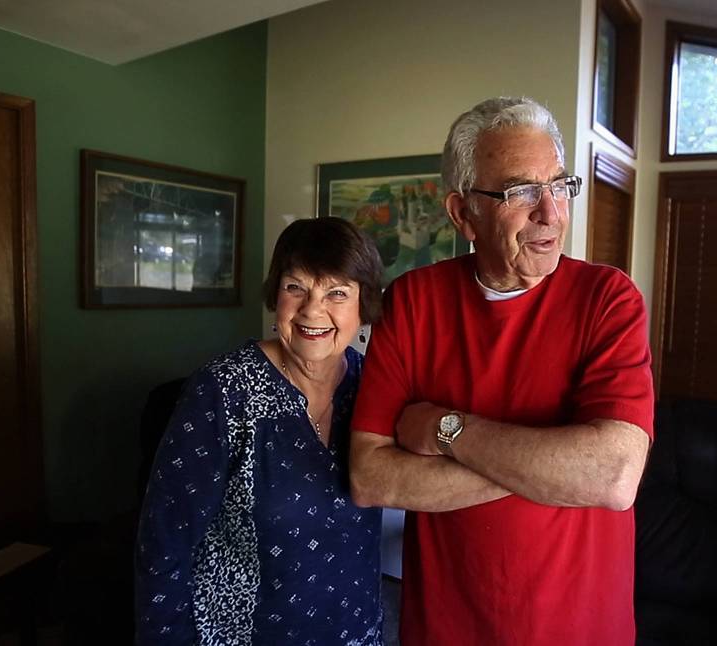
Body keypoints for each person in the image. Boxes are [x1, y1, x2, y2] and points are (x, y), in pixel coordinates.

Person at [348, 97, 655, 645]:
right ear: (464, 212)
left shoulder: (608, 299)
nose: (552, 213)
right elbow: (372, 478)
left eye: (559, 185)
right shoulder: (413, 302)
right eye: (521, 192)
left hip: (581, 632)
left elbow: (612, 477)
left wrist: (448, 431)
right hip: (445, 630)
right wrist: (551, 464)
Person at [135, 217, 386, 645]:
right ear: (275, 295)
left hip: (354, 630)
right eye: (296, 288)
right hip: (241, 634)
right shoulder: (222, 390)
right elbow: (163, 542)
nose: (312, 309)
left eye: (337, 293)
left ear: (363, 306)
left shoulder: (373, 387)